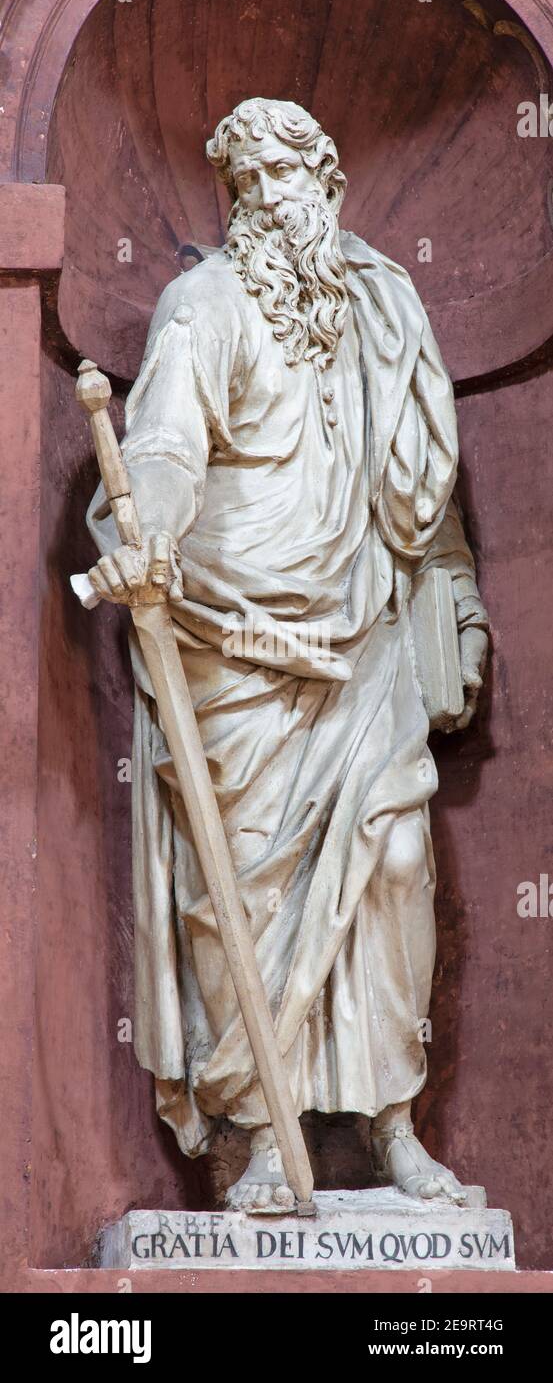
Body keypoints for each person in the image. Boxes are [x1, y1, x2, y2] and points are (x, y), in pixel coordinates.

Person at [87, 98, 489, 1214]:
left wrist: (452, 603)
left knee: (396, 865)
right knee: (244, 895)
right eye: (246, 185)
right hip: (234, 649)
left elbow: (423, 495)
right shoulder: (201, 303)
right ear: (229, 202)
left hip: (359, 642)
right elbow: (162, 445)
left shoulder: (382, 312)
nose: (269, 201)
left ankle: (393, 1123)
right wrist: (147, 531)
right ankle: (265, 1135)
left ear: (328, 183)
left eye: (287, 175)